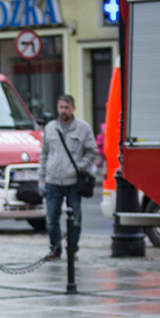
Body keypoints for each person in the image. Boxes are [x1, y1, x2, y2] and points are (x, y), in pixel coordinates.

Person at [38, 94, 97, 260]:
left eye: (67, 107)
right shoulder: (50, 127)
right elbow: (44, 154)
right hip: (53, 180)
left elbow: (92, 151)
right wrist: (41, 177)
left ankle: (73, 249)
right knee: (51, 219)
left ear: (73, 108)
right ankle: (55, 249)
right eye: (61, 107)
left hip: (73, 181)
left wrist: (79, 167)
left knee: (75, 219)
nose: (63, 111)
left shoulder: (83, 128)